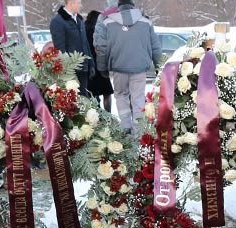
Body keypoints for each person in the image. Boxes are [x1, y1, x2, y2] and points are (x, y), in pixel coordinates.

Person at [94, 0, 159, 134]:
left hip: (118, 68)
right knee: (138, 97)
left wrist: (102, 67)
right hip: (139, 68)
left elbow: (101, 47)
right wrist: (159, 66)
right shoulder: (146, 22)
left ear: (119, 7)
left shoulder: (108, 22)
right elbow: (155, 46)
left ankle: (125, 127)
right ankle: (139, 132)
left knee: (121, 95)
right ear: (133, 6)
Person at [49, 0, 93, 96]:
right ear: (71, 3)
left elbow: (85, 43)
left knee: (84, 98)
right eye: (79, 3)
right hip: (71, 71)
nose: (80, 5)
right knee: (75, 100)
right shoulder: (58, 21)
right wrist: (68, 71)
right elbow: (60, 49)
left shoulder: (79, 19)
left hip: (83, 67)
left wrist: (91, 63)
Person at [84, 10, 113, 111]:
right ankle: (108, 114)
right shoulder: (100, 30)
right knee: (107, 92)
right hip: (101, 64)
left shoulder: (83, 29)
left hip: (89, 65)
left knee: (93, 93)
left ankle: (96, 114)